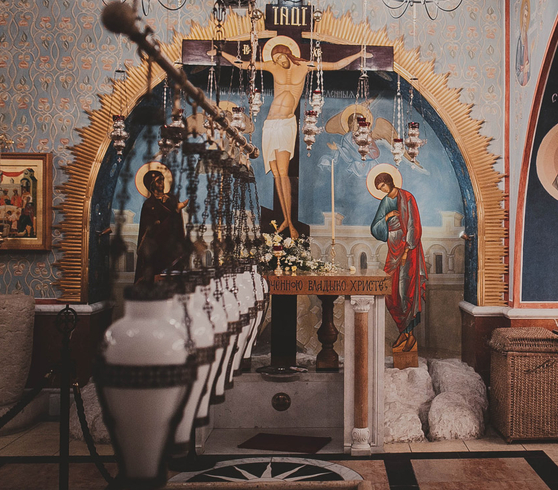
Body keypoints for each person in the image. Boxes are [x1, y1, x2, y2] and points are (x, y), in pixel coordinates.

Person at [221, 38, 370, 238]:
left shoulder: (304, 67)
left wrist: (359, 54)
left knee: (283, 173)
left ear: (288, 53)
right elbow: (243, 64)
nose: (279, 61)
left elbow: (335, 65)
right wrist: (221, 53)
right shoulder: (273, 67)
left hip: (285, 123)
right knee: (276, 174)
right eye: (275, 58)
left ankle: (290, 222)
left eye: (281, 57)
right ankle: (285, 220)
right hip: (270, 124)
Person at [370, 172, 427, 352]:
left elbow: (413, 225)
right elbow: (375, 227)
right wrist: (387, 217)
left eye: (382, 186)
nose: (382, 190)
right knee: (391, 293)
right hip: (393, 251)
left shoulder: (407, 197)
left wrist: (406, 251)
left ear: (389, 182)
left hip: (408, 251)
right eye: (379, 188)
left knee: (406, 291)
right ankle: (403, 331)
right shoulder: (385, 202)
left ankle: (409, 335)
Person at [134, 170, 189, 285]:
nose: (162, 183)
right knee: (156, 276)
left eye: (162, 180)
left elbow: (177, 224)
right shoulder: (149, 204)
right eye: (158, 181)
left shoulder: (172, 199)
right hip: (157, 248)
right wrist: (175, 210)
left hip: (172, 245)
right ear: (151, 185)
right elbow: (149, 227)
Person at [515, 0, 532, 86]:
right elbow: (517, 70)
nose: (525, 20)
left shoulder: (527, 39)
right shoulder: (519, 41)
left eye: (527, 16)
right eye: (524, 16)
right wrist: (524, 70)